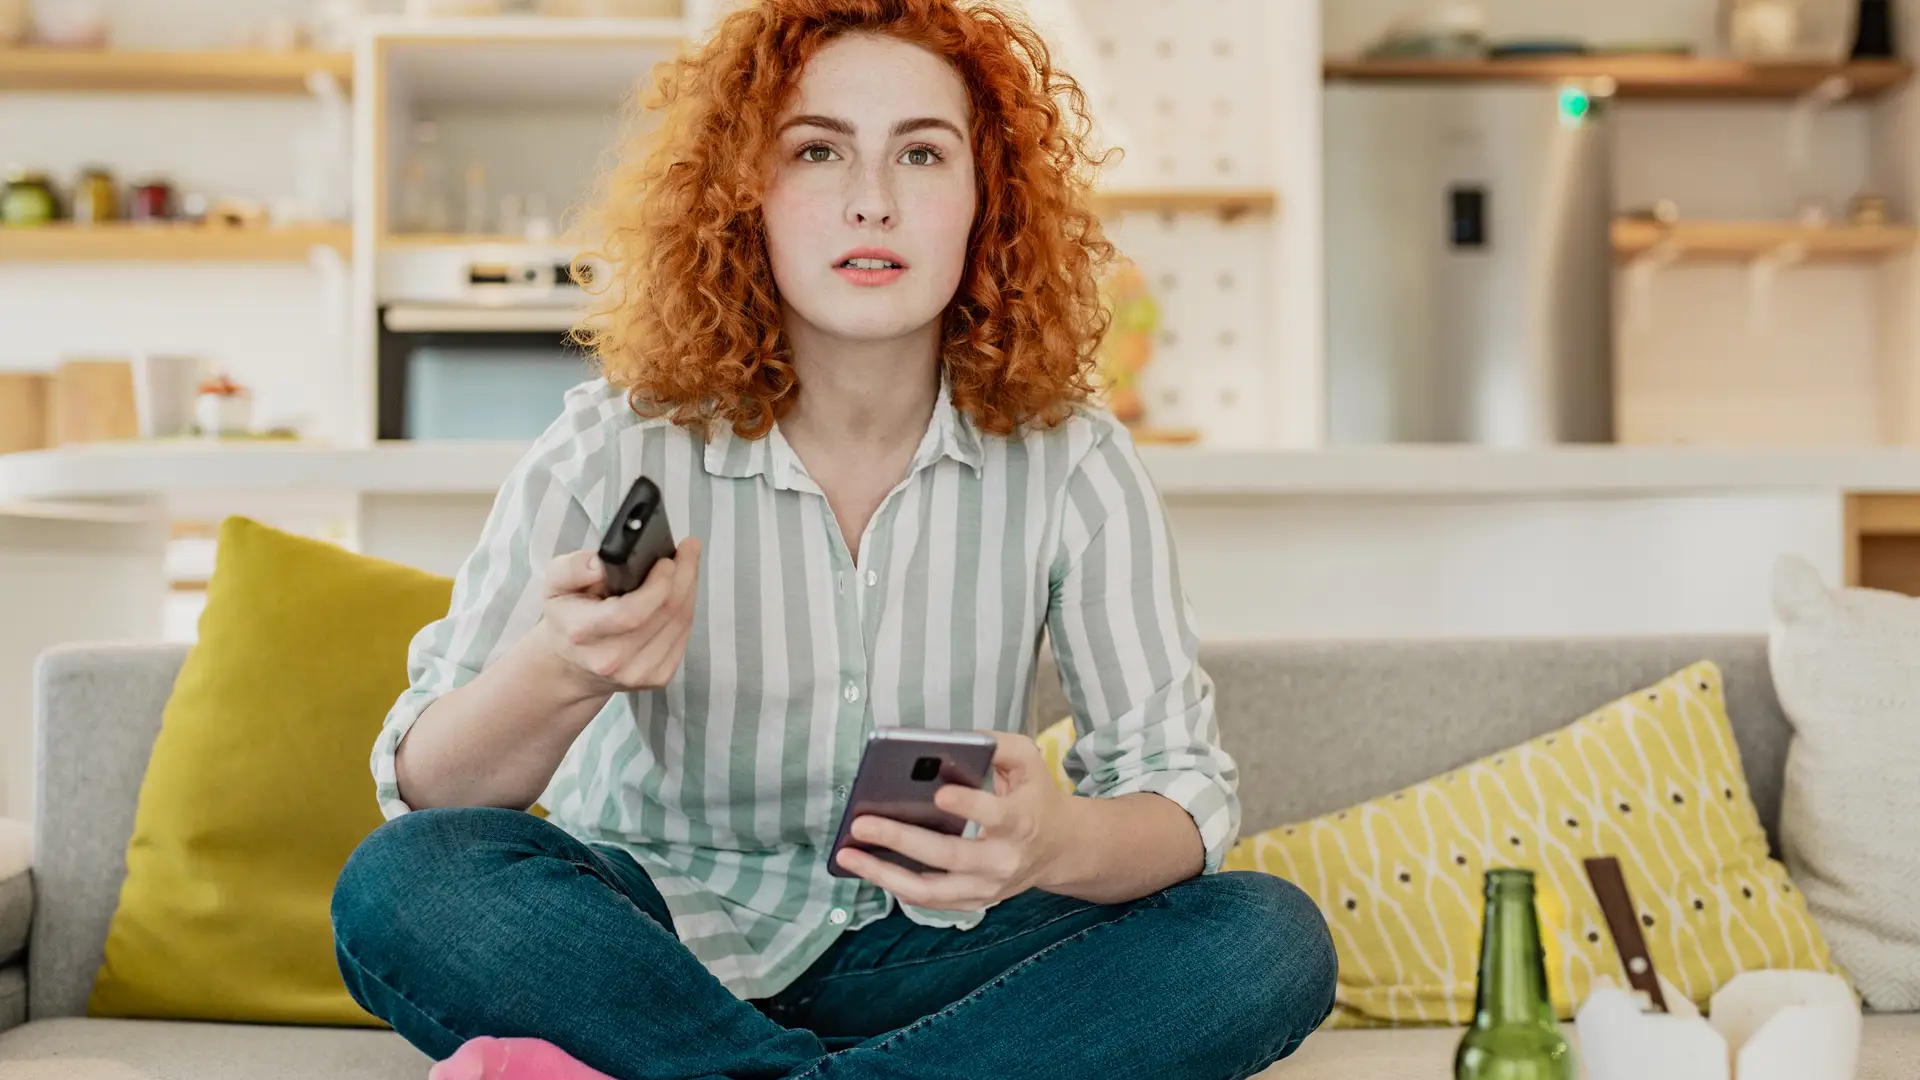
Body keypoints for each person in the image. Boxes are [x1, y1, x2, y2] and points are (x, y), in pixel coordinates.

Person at [330, 2, 1336, 1078]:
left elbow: (1180, 792)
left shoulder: (1072, 460)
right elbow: (427, 790)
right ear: (743, 198)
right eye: (817, 151)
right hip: (647, 945)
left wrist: (1056, 843)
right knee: (403, 883)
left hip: (938, 948)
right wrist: (561, 669)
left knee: (1265, 938)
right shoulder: (613, 443)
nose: (873, 202)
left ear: (985, 199)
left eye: (921, 153)